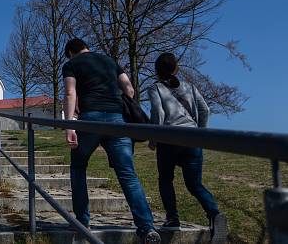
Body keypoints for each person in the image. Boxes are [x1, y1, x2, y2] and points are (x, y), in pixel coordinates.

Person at [62, 38, 161, 244]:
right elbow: (129, 89)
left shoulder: (71, 64)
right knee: (127, 174)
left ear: (71, 52)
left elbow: (70, 92)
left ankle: (83, 221)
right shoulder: (109, 60)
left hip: (90, 120)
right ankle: (146, 228)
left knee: (78, 167)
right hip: (117, 121)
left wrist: (70, 126)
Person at [147, 52, 227, 243]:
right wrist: (200, 133)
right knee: (194, 184)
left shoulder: (155, 88)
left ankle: (172, 218)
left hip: (169, 139)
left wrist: (153, 138)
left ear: (157, 71)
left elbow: (157, 112)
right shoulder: (190, 87)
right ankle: (214, 215)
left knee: (166, 179)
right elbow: (204, 109)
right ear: (176, 69)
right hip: (191, 139)